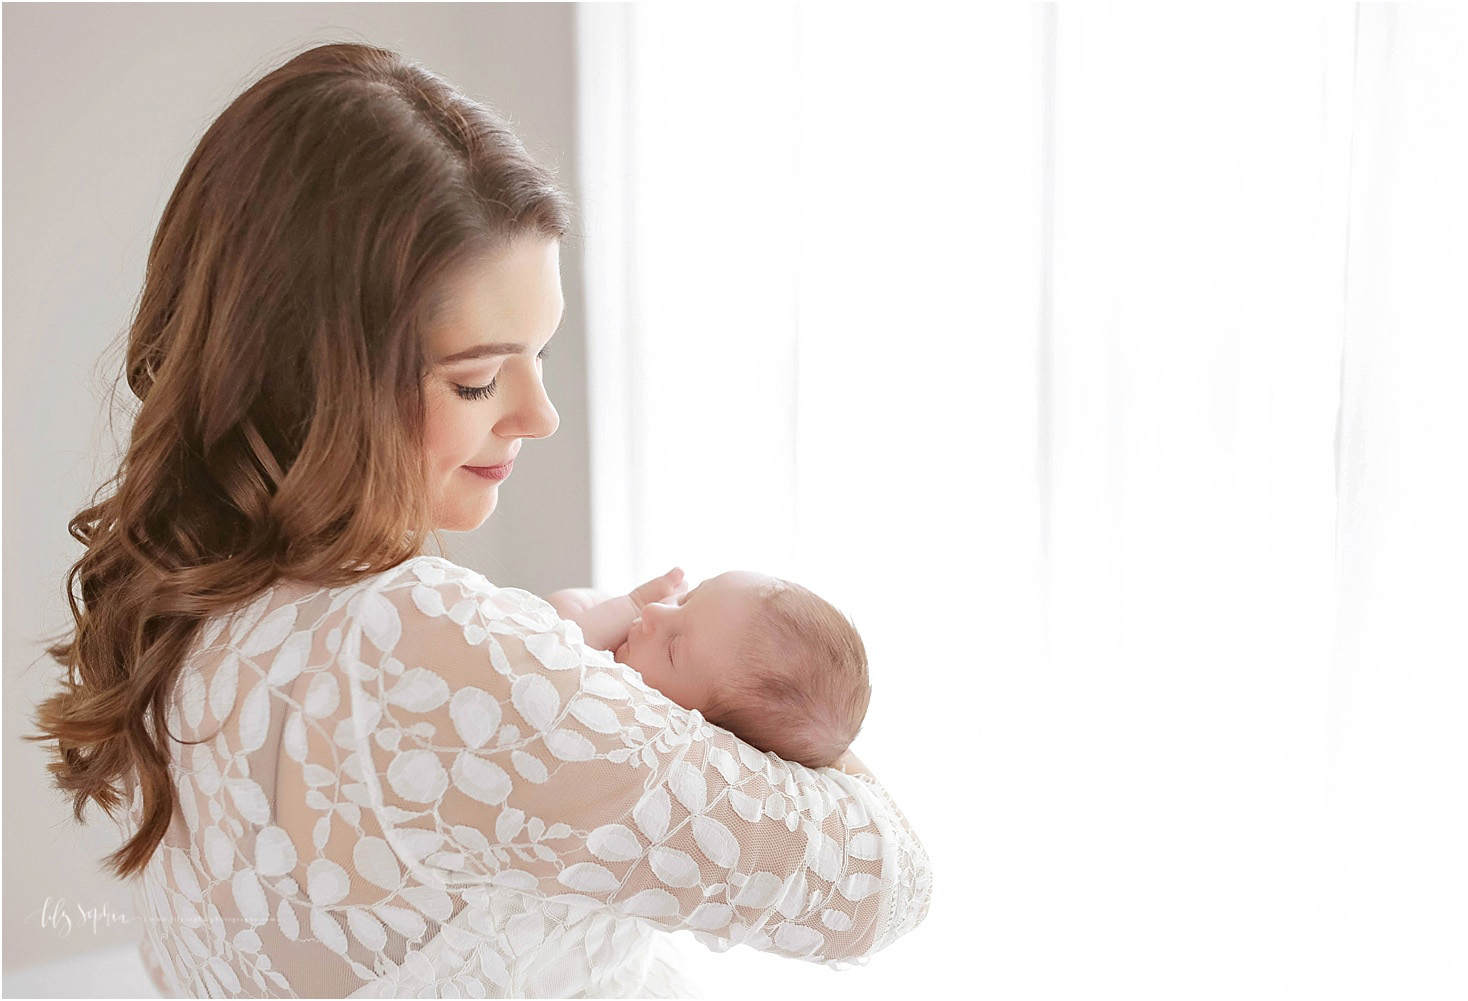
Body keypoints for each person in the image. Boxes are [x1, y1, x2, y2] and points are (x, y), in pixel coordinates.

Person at [29, 41, 932, 998]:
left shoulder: (189, 622)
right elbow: (886, 881)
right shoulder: (419, 645)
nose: (539, 416)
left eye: (541, 353)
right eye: (476, 377)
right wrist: (736, 675)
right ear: (314, 377)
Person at [545, 569, 871, 769]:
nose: (655, 611)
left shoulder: (626, 715)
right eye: (687, 599)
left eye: (673, 648)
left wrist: (626, 606)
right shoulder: (633, 645)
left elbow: (553, 656)